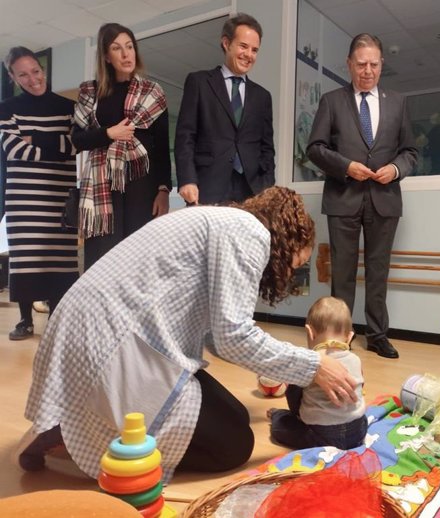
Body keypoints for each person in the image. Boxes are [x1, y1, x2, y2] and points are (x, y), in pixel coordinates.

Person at [16, 186, 358, 483]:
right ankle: (80, 432)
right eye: (297, 264)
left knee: (238, 417)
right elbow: (233, 335)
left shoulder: (222, 222)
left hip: (94, 324)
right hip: (110, 340)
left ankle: (71, 421)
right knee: (235, 445)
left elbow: (214, 333)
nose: (291, 273)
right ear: (291, 239)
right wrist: (313, 366)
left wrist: (276, 362)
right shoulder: (250, 233)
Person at [306, 33, 418, 359]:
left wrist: (396, 169)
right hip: (343, 197)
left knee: (378, 271)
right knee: (341, 273)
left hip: (385, 199)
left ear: (382, 64)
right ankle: (338, 336)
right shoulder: (331, 101)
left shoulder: (399, 102)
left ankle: (378, 335)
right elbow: (315, 148)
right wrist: (346, 166)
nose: (367, 70)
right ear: (349, 64)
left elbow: (410, 151)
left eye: (374, 64)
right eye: (361, 64)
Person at [72, 23, 171, 271]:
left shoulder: (153, 93)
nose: (126, 54)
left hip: (142, 185)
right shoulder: (90, 92)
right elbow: (77, 139)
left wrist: (164, 190)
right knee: (103, 261)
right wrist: (109, 134)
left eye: (129, 47)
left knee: (139, 259)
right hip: (102, 186)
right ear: (106, 56)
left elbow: (161, 148)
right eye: (117, 48)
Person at [0, 47, 79, 340]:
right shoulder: (6, 107)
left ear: (42, 69)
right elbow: (16, 150)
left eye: (35, 71)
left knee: (60, 259)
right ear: (13, 77)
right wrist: (56, 143)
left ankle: (57, 320)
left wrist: (36, 138)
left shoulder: (68, 107)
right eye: (23, 74)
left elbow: (75, 146)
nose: (32, 79)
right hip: (23, 198)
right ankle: (25, 320)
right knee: (25, 259)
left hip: (59, 196)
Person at [175, 12, 275, 205]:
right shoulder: (199, 82)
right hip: (207, 187)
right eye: (243, 46)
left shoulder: (263, 96)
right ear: (226, 43)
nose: (249, 55)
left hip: (252, 191)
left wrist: (266, 186)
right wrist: (187, 179)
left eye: (254, 50)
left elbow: (267, 148)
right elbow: (185, 136)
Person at [268, 296, 367, 450]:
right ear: (349, 337)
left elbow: (293, 396)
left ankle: (278, 415)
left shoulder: (309, 363)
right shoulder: (356, 359)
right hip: (358, 430)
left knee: (280, 427)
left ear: (310, 332)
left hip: (321, 435)